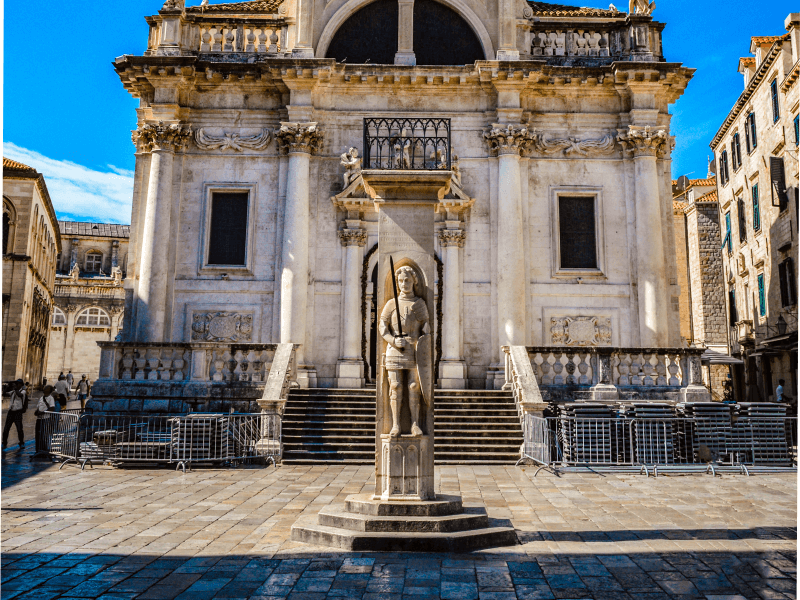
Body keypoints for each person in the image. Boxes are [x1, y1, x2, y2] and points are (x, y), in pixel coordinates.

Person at [2, 379, 28, 451]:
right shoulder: (13, 391)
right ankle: (4, 442)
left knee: (19, 429)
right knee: (6, 428)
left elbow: (20, 395)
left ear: (21, 384)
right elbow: (4, 394)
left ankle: (21, 443)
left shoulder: (23, 391)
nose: (16, 385)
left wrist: (15, 388)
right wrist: (7, 387)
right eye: (16, 383)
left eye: (18, 383)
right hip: (11, 412)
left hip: (18, 412)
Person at [34, 386, 57, 457]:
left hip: (45, 419)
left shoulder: (51, 398)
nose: (44, 389)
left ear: (49, 391)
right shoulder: (41, 397)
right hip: (39, 418)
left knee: (43, 435)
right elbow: (38, 407)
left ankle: (43, 450)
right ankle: (38, 450)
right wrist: (37, 412)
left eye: (46, 389)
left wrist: (43, 412)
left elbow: (52, 408)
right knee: (38, 434)